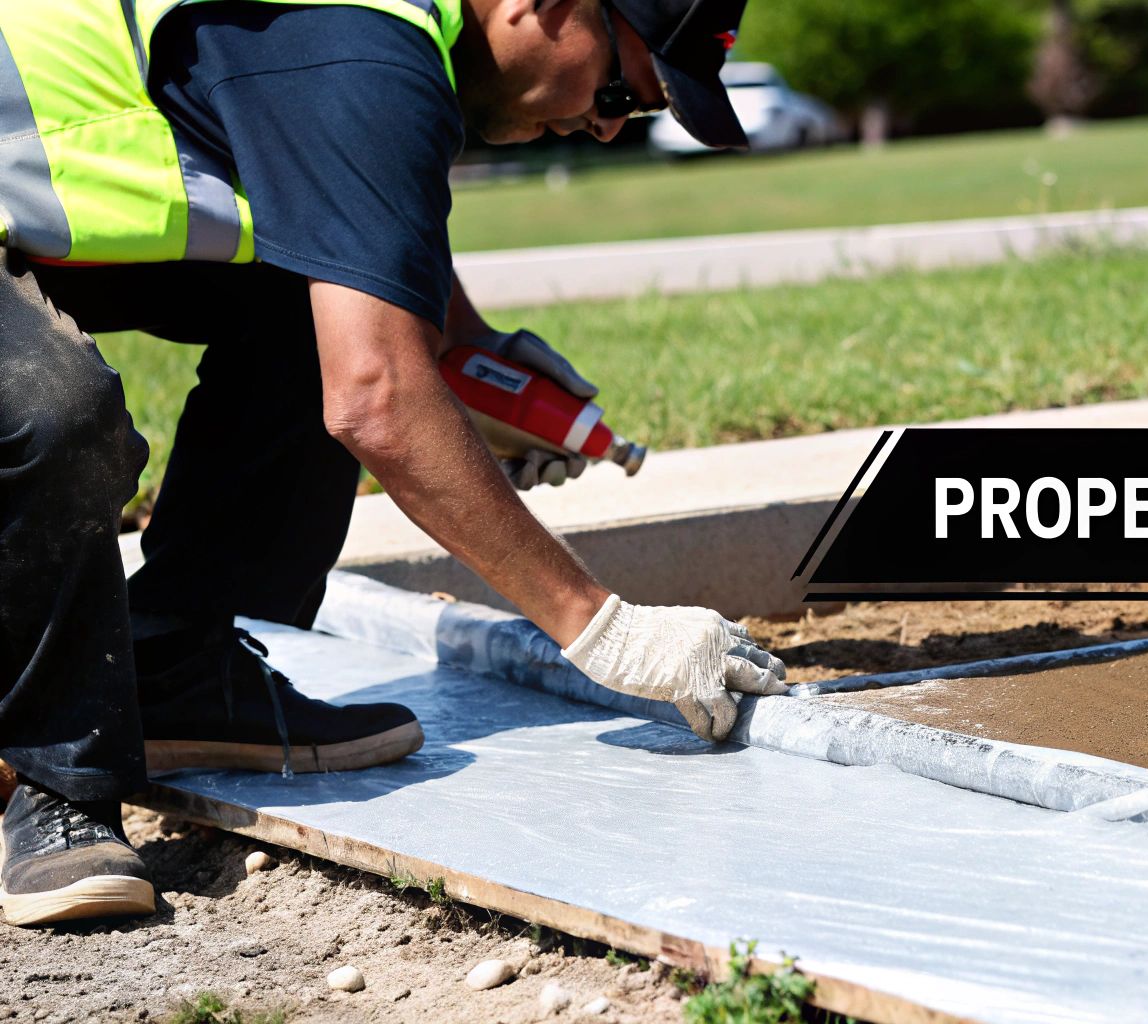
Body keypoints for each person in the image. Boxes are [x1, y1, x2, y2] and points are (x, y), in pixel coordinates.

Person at [0, 0, 785, 927]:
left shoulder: (388, 34)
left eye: (637, 113)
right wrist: (604, 630)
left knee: (316, 305)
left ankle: (179, 672)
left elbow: (345, 228)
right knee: (57, 409)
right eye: (620, 87)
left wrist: (466, 343)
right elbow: (376, 399)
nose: (609, 123)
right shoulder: (362, 41)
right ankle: (60, 780)